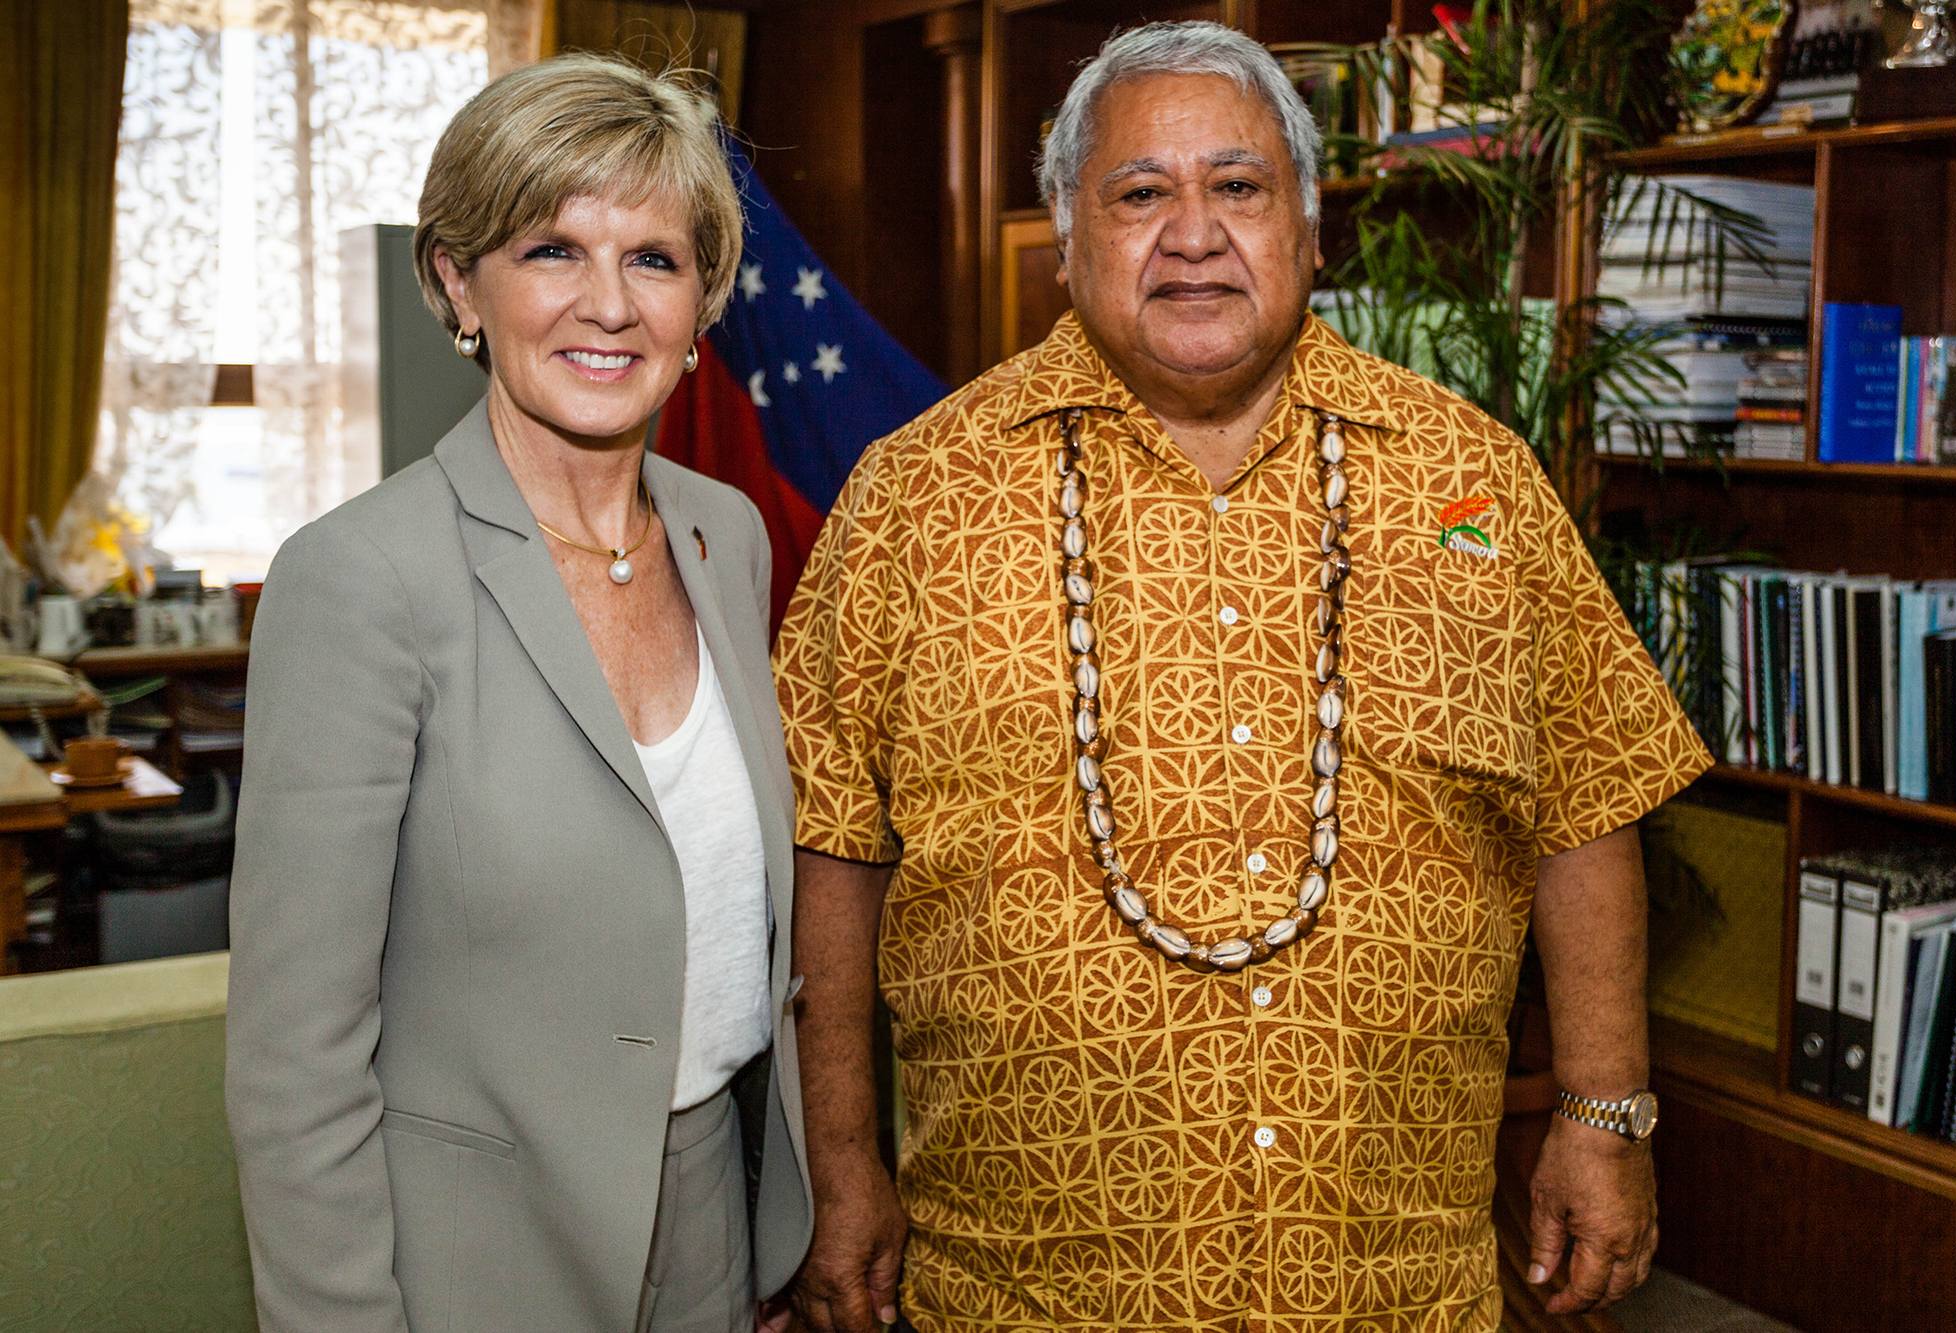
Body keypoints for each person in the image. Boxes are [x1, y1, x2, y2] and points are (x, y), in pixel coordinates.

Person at [773, 21, 1710, 1333]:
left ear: (1311, 229)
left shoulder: (1473, 480)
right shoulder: (915, 497)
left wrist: (1605, 1116)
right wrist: (840, 1162)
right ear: (1067, 235)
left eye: (1240, 185)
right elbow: (832, 845)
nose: (1195, 232)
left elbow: (1589, 798)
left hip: (1391, 1278)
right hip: (1026, 1285)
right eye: (1142, 192)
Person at [226, 55, 809, 1333]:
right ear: (457, 282)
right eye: (552, 249)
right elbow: (294, 1060)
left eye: (654, 260)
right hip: (471, 1264)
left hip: (714, 1214)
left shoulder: (727, 537)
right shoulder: (358, 578)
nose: (608, 306)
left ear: (702, 299)